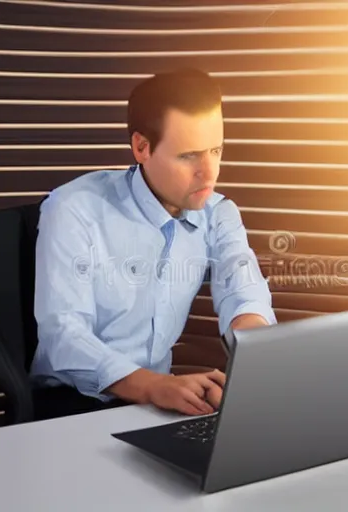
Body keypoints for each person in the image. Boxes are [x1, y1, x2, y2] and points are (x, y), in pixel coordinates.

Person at [29, 68, 276, 416]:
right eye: (189, 156)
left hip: (158, 400)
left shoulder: (218, 213)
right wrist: (156, 386)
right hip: (71, 404)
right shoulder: (73, 209)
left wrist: (254, 353)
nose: (209, 172)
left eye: (216, 150)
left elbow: (243, 293)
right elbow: (64, 337)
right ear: (141, 147)